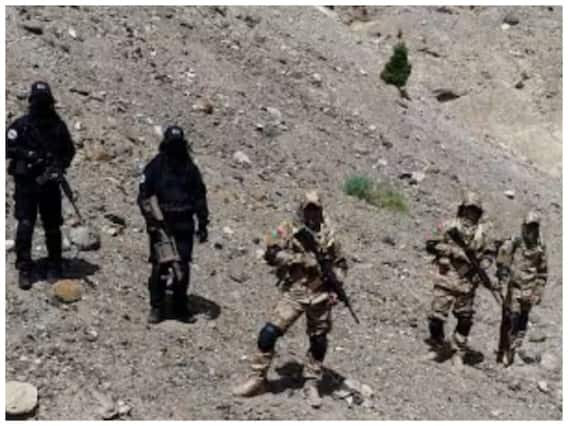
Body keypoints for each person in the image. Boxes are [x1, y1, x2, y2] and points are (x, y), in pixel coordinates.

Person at [232, 191, 348, 408]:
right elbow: (270, 252)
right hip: (296, 291)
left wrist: (336, 286)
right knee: (268, 333)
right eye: (308, 209)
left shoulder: (330, 234)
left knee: (319, 340)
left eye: (315, 209)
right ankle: (257, 379)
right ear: (302, 209)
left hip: (321, 294)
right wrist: (300, 260)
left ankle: (311, 382)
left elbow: (341, 264)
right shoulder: (288, 228)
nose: (312, 213)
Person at [6, 81, 76, 289]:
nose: (42, 106)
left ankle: (55, 264)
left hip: (49, 184)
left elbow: (69, 151)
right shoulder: (21, 125)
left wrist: (58, 166)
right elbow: (7, 148)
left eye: (45, 102)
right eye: (39, 101)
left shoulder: (58, 126)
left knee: (52, 225)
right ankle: (24, 268)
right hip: (26, 183)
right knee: (25, 223)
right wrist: (29, 155)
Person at [137, 125, 209, 324]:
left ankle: (180, 307)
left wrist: (203, 223)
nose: (175, 148)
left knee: (182, 266)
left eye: (178, 144)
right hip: (161, 224)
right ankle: (157, 307)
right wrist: (151, 219)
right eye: (172, 144)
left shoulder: (190, 168)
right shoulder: (155, 166)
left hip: (184, 223)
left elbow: (200, 196)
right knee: (160, 266)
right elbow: (144, 195)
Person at [425, 190, 494, 366]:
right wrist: (454, 252)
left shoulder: (482, 233)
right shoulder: (449, 225)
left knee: (465, 319)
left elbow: (489, 254)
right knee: (436, 318)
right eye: (468, 209)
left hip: (467, 283)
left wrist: (483, 265)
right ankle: (438, 348)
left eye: (474, 210)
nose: (471, 214)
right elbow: (431, 245)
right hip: (446, 278)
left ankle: (458, 351)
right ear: (462, 209)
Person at [496, 210, 548, 364]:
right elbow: (502, 261)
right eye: (528, 227)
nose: (531, 231)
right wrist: (503, 279)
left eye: (534, 227)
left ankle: (512, 350)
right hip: (513, 288)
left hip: (528, 291)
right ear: (523, 226)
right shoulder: (515, 242)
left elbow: (543, 272)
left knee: (521, 322)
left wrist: (538, 292)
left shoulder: (540, 247)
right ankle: (504, 350)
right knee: (511, 318)